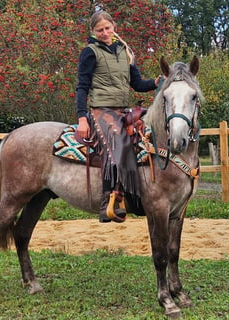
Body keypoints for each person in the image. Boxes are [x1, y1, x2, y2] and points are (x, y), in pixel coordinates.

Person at [75, 10, 162, 223]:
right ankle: (108, 200)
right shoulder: (90, 52)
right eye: (100, 30)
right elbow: (82, 87)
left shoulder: (126, 51)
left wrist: (155, 83)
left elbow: (137, 84)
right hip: (100, 110)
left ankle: (138, 194)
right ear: (93, 32)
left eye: (107, 28)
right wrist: (82, 118)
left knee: (145, 137)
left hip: (122, 109)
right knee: (117, 143)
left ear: (114, 26)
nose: (105, 32)